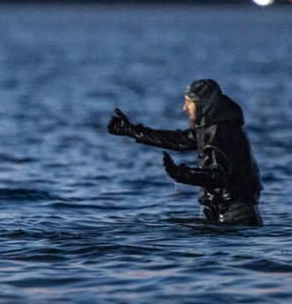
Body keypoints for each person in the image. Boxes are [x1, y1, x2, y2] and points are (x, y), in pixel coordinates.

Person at [107, 78, 263, 225]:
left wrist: (183, 174)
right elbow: (178, 140)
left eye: (189, 102)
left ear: (203, 104)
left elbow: (219, 176)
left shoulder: (222, 131)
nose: (184, 107)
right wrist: (132, 131)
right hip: (225, 213)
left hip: (235, 216)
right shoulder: (211, 127)